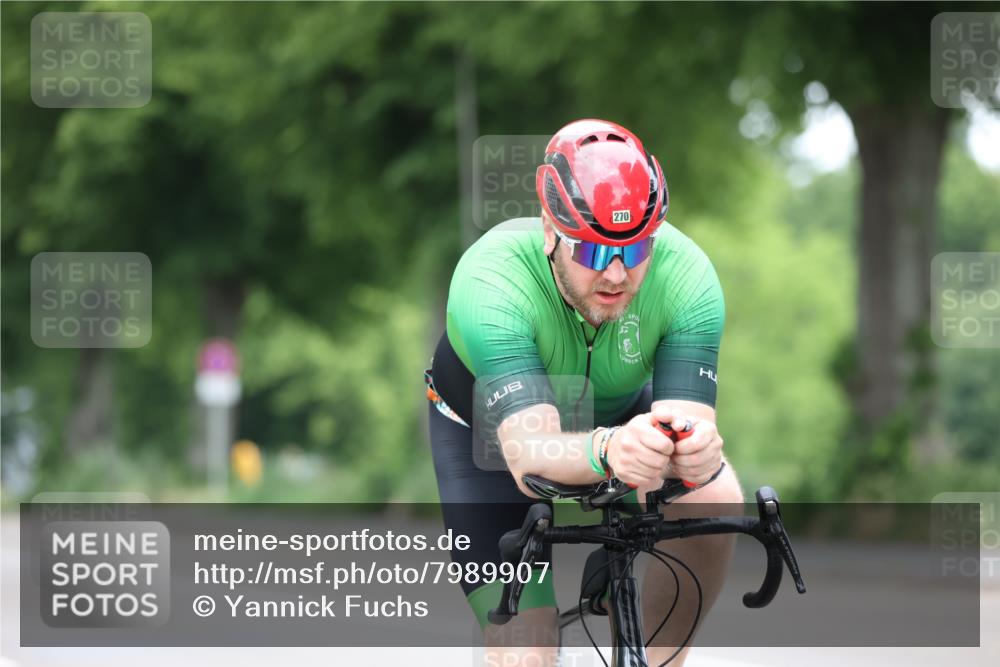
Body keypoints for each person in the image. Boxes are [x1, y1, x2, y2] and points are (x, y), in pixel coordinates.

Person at [425, 118, 743, 666]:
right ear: (550, 231)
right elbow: (529, 458)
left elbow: (686, 426)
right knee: (528, 650)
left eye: (637, 248)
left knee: (713, 494)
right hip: (489, 441)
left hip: (619, 419)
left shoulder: (688, 276)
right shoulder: (490, 281)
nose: (617, 273)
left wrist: (696, 450)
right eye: (595, 253)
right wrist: (608, 450)